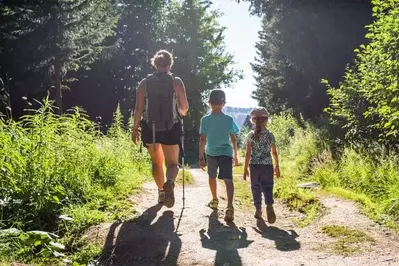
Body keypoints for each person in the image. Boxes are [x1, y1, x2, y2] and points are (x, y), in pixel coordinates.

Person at [132, 50, 189, 208]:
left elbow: (138, 108)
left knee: (157, 163)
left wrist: (135, 128)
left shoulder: (145, 82)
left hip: (151, 129)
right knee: (172, 164)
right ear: (170, 64)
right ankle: (169, 182)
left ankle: (161, 193)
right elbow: (184, 108)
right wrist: (180, 111)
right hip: (171, 127)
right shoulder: (176, 81)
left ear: (154, 64)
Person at [199, 89, 239, 222]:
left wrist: (201, 157)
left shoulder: (205, 120)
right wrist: (236, 155)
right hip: (226, 153)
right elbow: (233, 138)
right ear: (224, 103)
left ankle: (215, 199)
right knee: (228, 179)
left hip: (211, 153)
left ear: (209, 103)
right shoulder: (228, 119)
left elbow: (202, 139)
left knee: (212, 176)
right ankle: (230, 206)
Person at [243, 107, 280, 223]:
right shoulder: (270, 135)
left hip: (254, 166)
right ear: (266, 120)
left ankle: (258, 209)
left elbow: (248, 153)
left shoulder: (250, 135)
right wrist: (277, 167)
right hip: (267, 166)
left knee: (256, 188)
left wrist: (245, 168)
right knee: (268, 187)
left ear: (253, 120)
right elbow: (274, 152)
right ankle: (269, 206)